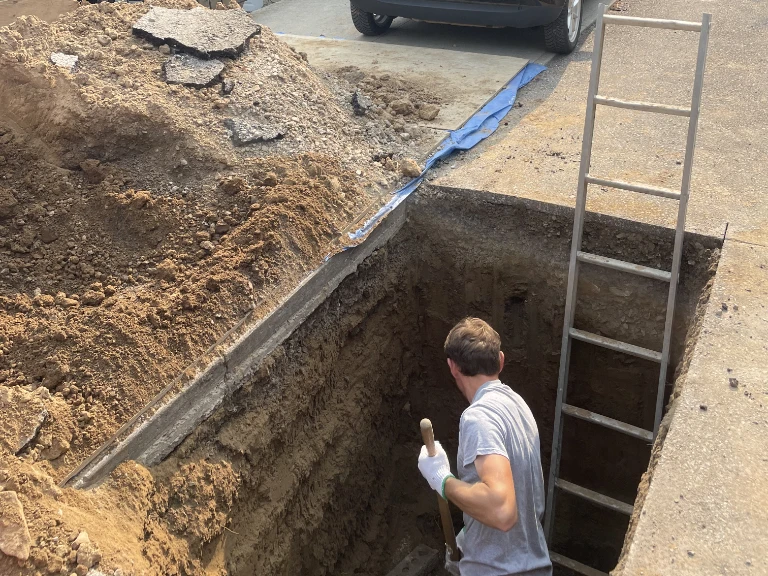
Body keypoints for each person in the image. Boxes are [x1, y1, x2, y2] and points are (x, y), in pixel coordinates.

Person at [417, 317, 552, 576]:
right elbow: (517, 490)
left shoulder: (478, 418)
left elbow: (502, 511)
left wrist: (442, 480)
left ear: (452, 367)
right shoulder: (517, 405)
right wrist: (471, 539)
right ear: (500, 361)